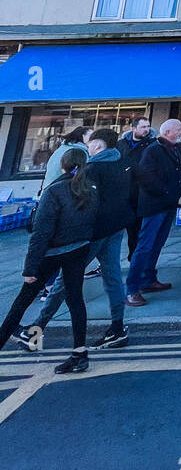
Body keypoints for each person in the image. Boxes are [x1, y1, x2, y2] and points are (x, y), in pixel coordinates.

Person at [20, 128, 131, 351]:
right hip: (116, 228)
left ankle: (37, 327)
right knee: (113, 278)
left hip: (91, 233)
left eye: (90, 143)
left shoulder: (91, 169)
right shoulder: (123, 164)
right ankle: (117, 328)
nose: (88, 147)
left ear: (98, 146)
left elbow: (80, 203)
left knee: (65, 280)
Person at [0, 147, 98, 372]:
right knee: (75, 301)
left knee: (22, 302)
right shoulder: (91, 188)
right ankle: (80, 354)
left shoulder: (53, 191)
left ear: (63, 165)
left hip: (52, 253)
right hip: (79, 249)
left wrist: (30, 268)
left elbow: (41, 233)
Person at [126, 119, 181, 306]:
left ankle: (148, 279)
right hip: (155, 206)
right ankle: (132, 289)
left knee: (157, 244)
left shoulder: (175, 149)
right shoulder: (153, 150)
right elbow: (145, 177)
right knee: (145, 246)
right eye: (179, 130)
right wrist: (167, 192)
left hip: (168, 204)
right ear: (168, 131)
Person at [117, 115, 156, 259]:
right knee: (130, 229)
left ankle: (138, 258)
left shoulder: (152, 144)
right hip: (125, 193)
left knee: (142, 230)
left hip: (143, 193)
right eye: (143, 127)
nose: (146, 130)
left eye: (148, 126)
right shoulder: (121, 144)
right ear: (133, 128)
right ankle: (134, 256)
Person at [41, 125, 91, 190]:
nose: (94, 139)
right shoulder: (79, 152)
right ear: (83, 136)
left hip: (49, 187)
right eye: (91, 136)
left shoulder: (62, 148)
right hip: (62, 190)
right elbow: (82, 174)